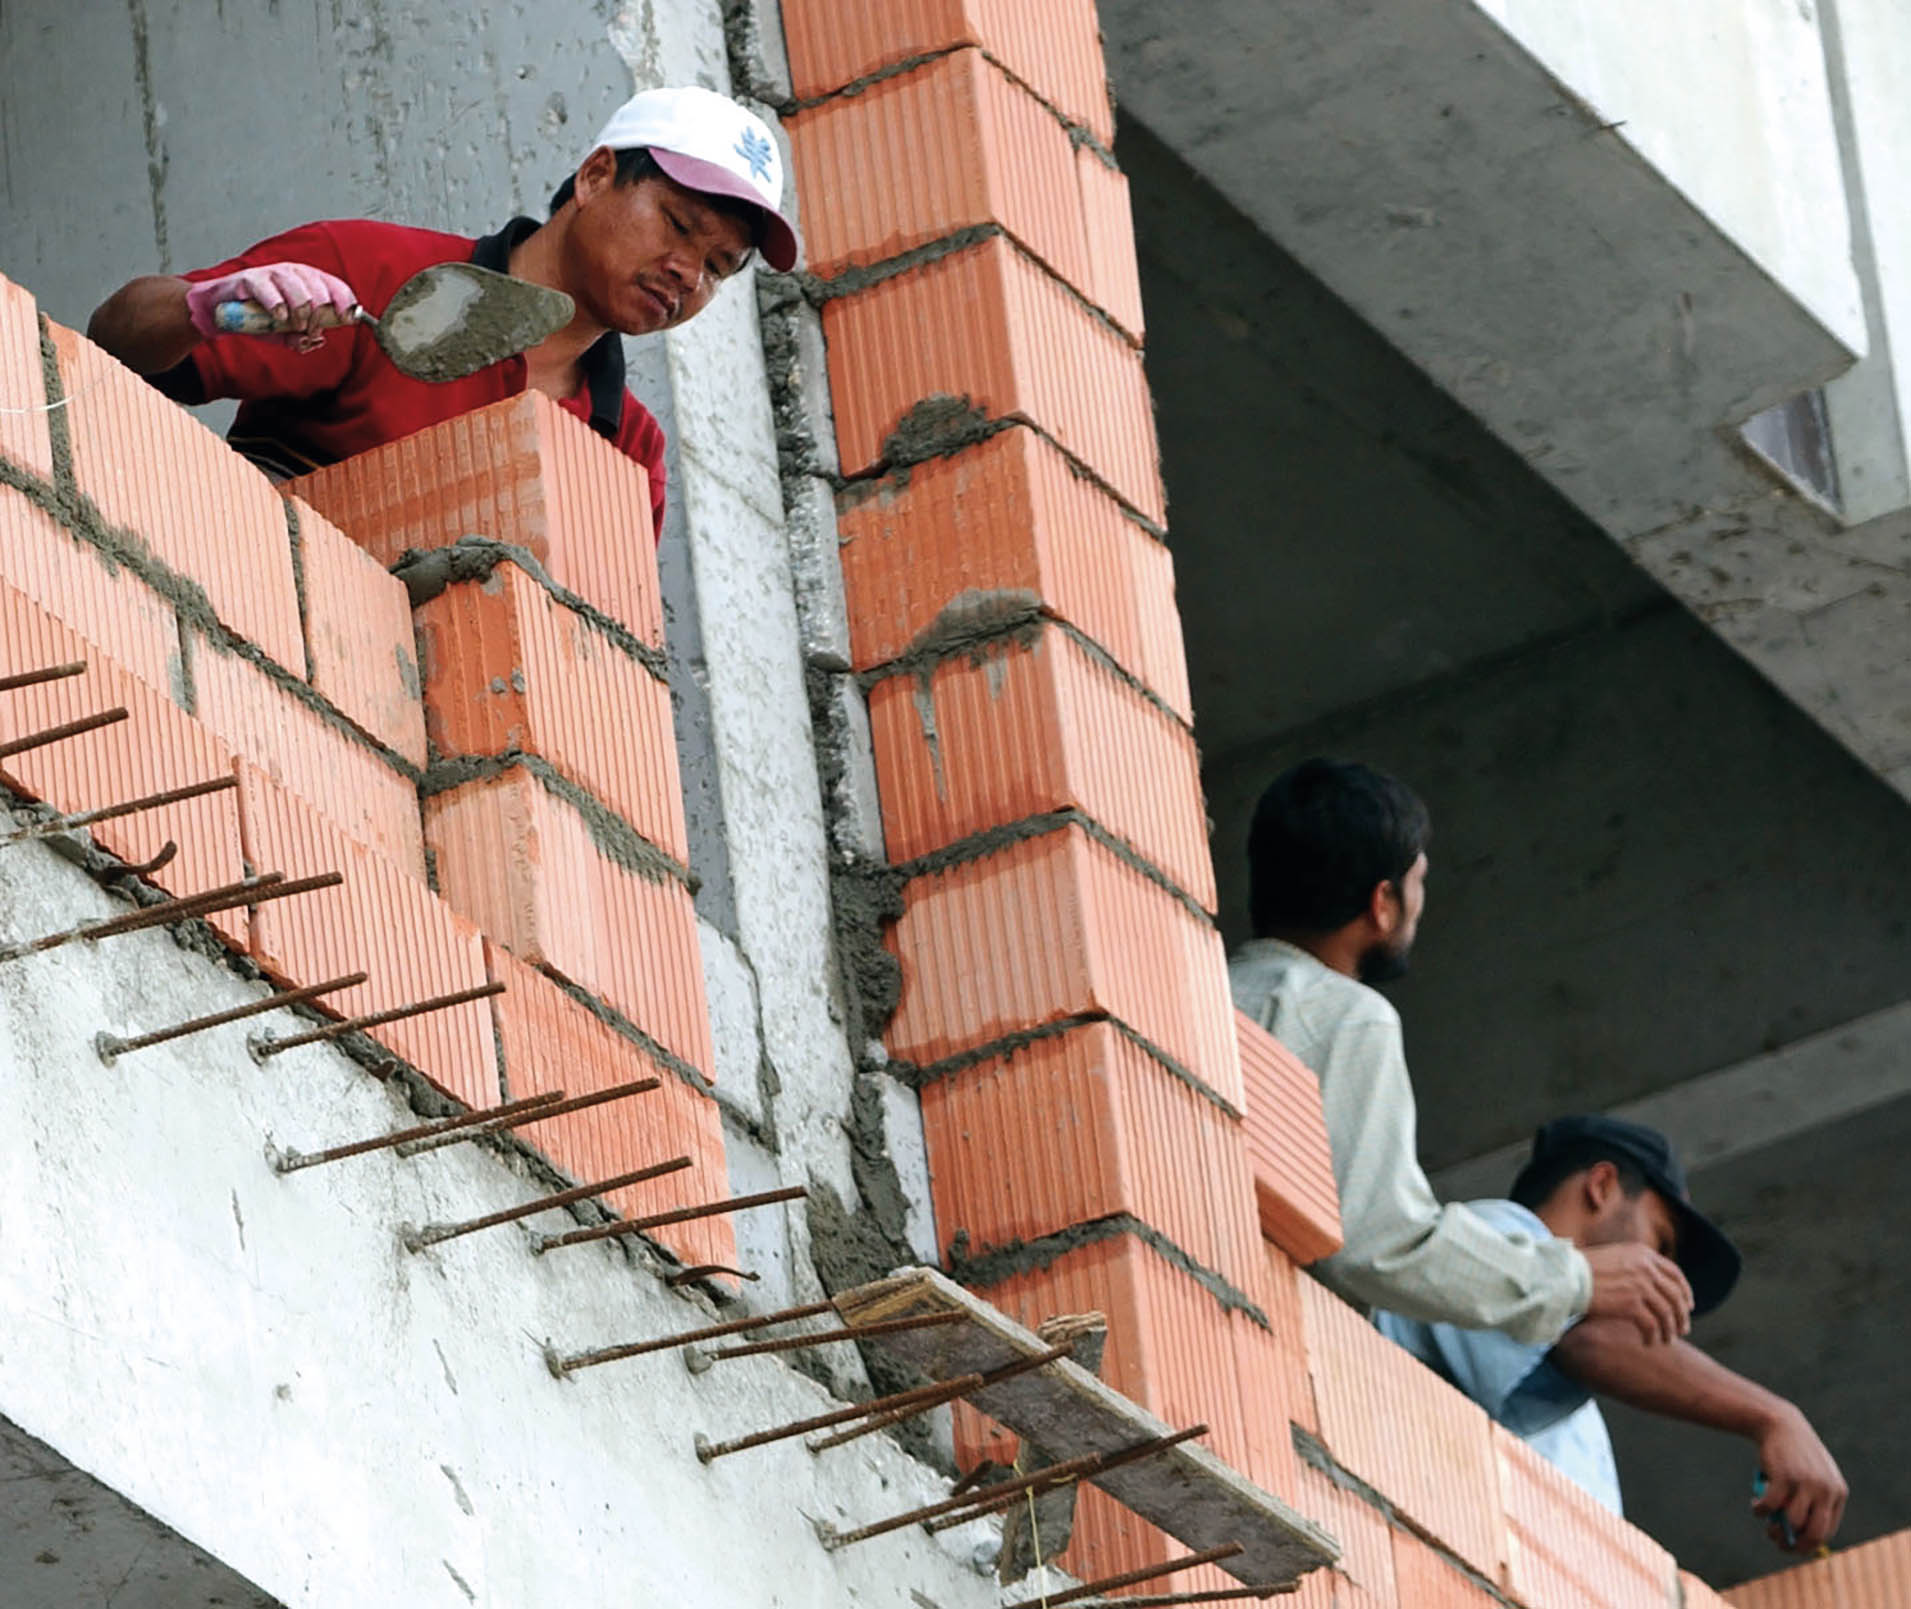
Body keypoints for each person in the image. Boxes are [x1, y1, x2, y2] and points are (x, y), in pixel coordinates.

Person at [86, 85, 799, 537]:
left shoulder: (630, 453)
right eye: (677, 225)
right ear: (595, 176)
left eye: (717, 267)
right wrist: (200, 310)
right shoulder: (379, 273)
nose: (687, 274)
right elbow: (104, 348)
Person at [1229, 758, 1693, 1348]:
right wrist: (1572, 1279)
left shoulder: (1206, 984)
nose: (1422, 904)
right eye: (1418, 881)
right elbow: (1380, 1243)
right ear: (1382, 903)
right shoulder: (1348, 1014)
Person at [1375, 1116, 1847, 1550]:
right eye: (1661, 1241)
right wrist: (1774, 1418)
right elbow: (1588, 1342)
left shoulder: (1578, 1412)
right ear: (1601, 1186)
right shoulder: (1490, 1234)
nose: (1664, 1273)